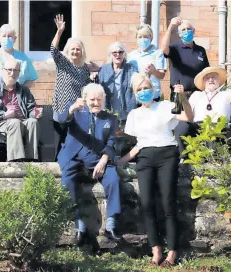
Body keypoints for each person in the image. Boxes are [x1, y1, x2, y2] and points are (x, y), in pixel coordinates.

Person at [117, 73, 193, 268]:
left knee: (168, 202)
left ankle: (173, 252)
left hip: (167, 155)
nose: (143, 92)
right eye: (139, 90)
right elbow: (138, 145)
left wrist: (183, 97)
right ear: (135, 94)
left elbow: (188, 117)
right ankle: (156, 250)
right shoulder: (134, 115)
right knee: (147, 204)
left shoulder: (165, 106)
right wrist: (121, 160)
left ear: (153, 89)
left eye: (146, 88)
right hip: (145, 158)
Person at [57, 83, 122, 246]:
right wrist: (71, 109)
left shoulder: (110, 118)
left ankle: (111, 225)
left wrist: (104, 159)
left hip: (98, 158)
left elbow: (113, 142)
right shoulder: (76, 112)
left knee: (113, 179)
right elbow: (61, 120)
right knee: (67, 183)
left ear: (104, 99)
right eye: (92, 99)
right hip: (74, 157)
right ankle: (80, 226)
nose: (95, 103)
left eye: (99, 99)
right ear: (85, 99)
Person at [51, 14, 98, 159]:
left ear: (81, 51)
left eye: (78, 49)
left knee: (73, 140)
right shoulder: (63, 62)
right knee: (60, 140)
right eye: (72, 49)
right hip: (61, 107)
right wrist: (59, 31)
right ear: (68, 50)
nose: (75, 52)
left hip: (77, 110)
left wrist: (95, 74)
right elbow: (53, 50)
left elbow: (88, 88)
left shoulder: (85, 68)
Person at [161, 18, 210, 157]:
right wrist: (170, 26)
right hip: (179, 95)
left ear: (194, 31)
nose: (186, 32)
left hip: (198, 95)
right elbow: (163, 49)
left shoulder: (201, 50)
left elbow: (206, 72)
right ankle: (183, 158)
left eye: (189, 29)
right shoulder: (175, 48)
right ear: (179, 33)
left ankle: (201, 157)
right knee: (181, 127)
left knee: (199, 124)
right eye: (183, 30)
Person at [0, 58, 43, 162]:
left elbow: (31, 109)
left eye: (16, 70)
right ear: (3, 70)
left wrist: (35, 113)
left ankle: (31, 160)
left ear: (19, 73)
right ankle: (16, 161)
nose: (12, 73)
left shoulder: (24, 90)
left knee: (33, 122)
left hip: (22, 121)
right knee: (14, 122)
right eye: (9, 70)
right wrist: (4, 115)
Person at [98, 41, 138, 125]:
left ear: (124, 54)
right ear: (110, 55)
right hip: (109, 110)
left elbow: (138, 85)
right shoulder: (104, 70)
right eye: (114, 52)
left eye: (120, 52)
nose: (117, 54)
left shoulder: (131, 69)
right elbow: (99, 89)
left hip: (127, 112)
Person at [127, 24, 167, 101]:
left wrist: (153, 71)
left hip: (153, 96)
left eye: (145, 37)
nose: (142, 39)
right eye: (140, 37)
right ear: (136, 39)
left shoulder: (158, 53)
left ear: (150, 38)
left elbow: (162, 75)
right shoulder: (131, 55)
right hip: (136, 97)